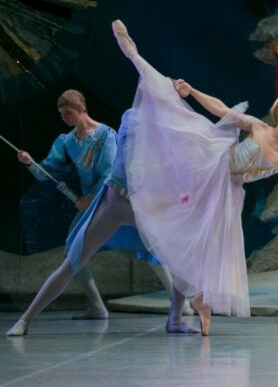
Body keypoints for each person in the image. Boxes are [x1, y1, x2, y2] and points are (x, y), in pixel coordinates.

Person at [111, 20, 278, 335]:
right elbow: (221, 110)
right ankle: (135, 56)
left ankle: (198, 302)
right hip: (210, 167)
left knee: (204, 247)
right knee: (175, 117)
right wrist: (192, 92)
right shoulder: (258, 127)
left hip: (228, 191)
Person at [7, 110, 193, 337]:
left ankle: (176, 318)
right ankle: (26, 319)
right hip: (111, 204)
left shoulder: (121, 136)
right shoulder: (127, 122)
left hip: (136, 206)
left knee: (176, 257)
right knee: (72, 260)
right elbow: (112, 171)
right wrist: (31, 164)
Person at [14, 90, 125, 321]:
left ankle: (181, 305)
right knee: (73, 250)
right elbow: (45, 173)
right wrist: (30, 163)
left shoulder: (106, 135)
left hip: (112, 200)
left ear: (81, 108)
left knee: (145, 245)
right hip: (90, 206)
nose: (64, 118)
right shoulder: (66, 141)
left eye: (68, 113)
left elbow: (110, 172)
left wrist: (91, 197)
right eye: (62, 114)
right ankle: (97, 307)